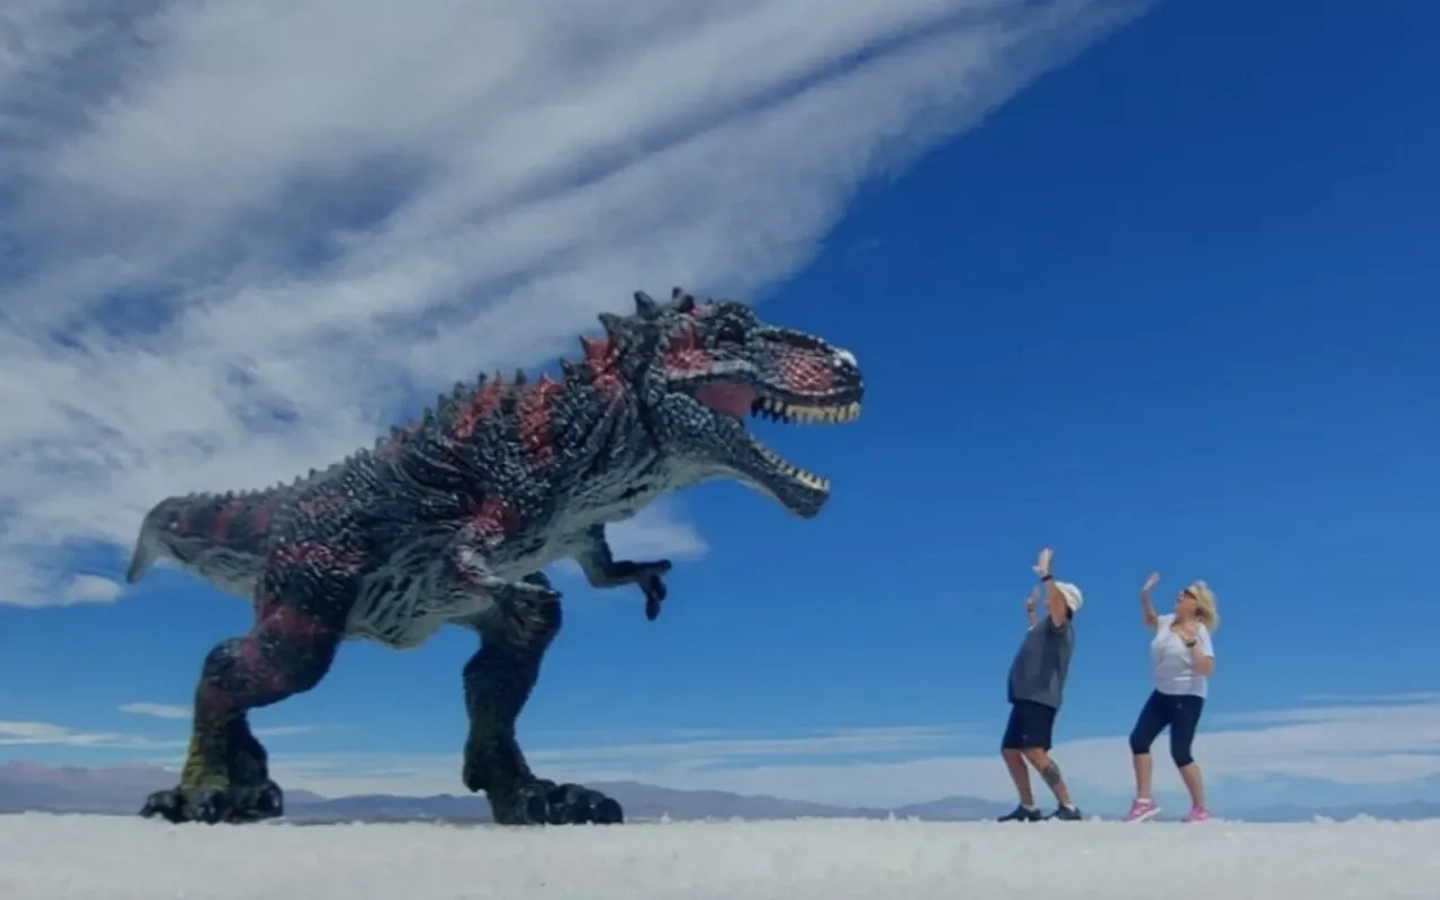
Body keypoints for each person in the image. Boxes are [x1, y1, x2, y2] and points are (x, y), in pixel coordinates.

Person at [1123, 572, 1219, 823]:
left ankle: (1201, 808)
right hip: (1162, 693)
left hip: (1188, 696)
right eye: (1181, 592)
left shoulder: (1199, 631)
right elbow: (1149, 620)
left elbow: (1207, 669)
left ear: (1196, 605)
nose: (1179, 595)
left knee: (1180, 752)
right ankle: (1144, 802)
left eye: (1186, 595)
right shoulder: (1167, 622)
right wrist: (1145, 596)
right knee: (1139, 740)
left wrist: (1191, 645)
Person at [998, 547, 1084, 822]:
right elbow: (1036, 636)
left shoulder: (1062, 625)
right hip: (1025, 696)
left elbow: (1058, 607)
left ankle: (1067, 806)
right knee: (1011, 750)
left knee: (1035, 751)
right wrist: (1031, 612)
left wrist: (1047, 575)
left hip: (1040, 697)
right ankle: (1028, 807)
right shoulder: (1046, 627)